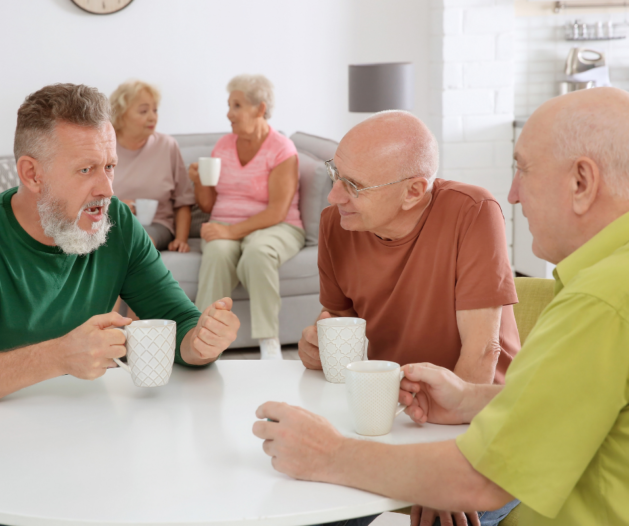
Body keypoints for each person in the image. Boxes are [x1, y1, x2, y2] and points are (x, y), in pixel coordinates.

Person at [253, 87, 629, 526]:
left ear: (581, 183)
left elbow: (480, 479)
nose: (513, 195)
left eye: (523, 171)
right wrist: (471, 399)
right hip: (408, 417)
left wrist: (329, 453)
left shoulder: (600, 302)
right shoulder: (603, 285)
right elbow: (566, 405)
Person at [0, 84, 240, 524]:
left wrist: (200, 342)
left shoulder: (120, 228)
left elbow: (180, 323)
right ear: (32, 174)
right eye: (87, 169)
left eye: (110, 166)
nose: (107, 188)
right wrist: (58, 356)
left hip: (84, 453)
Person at [297, 110, 520, 524]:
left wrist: (443, 474)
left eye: (354, 186)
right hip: (388, 413)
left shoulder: (473, 211)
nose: (333, 196)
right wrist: (316, 345)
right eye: (335, 173)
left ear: (414, 191)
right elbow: (341, 324)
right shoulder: (338, 223)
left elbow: (482, 353)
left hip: (480, 422)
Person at [189, 74, 305, 360]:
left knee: (257, 252)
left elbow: (278, 210)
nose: (229, 114)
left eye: (237, 105)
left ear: (260, 109)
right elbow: (207, 205)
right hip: (225, 224)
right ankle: (202, 340)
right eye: (229, 105)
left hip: (277, 226)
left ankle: (269, 341)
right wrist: (199, 182)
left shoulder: (281, 149)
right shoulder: (224, 146)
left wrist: (232, 232)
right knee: (216, 251)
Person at [110, 80, 194, 252]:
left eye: (155, 110)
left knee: (137, 240)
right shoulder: (104, 146)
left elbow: (183, 200)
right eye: (143, 111)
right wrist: (114, 208)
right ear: (121, 114)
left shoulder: (167, 145)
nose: (152, 116)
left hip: (156, 226)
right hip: (109, 223)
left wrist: (181, 239)